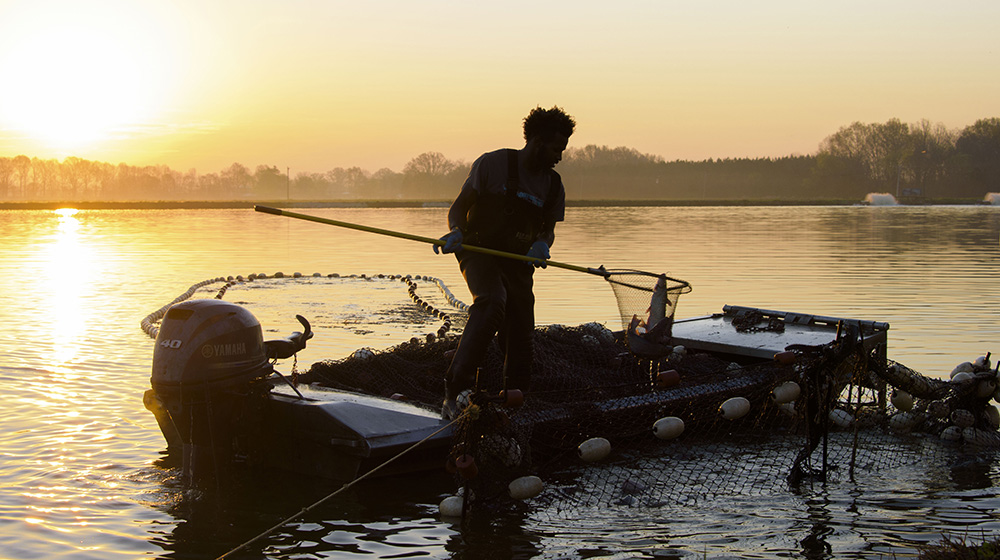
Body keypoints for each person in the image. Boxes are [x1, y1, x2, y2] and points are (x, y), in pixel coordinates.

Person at [433, 106, 576, 420]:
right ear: (537, 142)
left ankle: (514, 402)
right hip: (478, 250)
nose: (559, 156)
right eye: (556, 149)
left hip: (517, 261)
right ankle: (455, 389)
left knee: (521, 329)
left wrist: (542, 243)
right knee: (492, 301)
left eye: (563, 150)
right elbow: (458, 208)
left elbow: (547, 229)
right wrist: (456, 231)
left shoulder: (554, 186)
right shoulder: (493, 164)